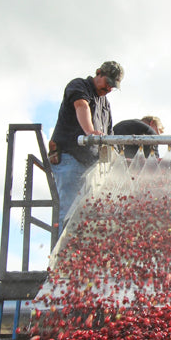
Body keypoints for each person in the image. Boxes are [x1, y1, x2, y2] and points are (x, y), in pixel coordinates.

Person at [48, 61, 124, 228]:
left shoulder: (105, 104)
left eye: (113, 87)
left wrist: (120, 160)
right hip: (71, 158)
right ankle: (65, 253)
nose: (109, 89)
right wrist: (89, 132)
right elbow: (81, 106)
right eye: (108, 83)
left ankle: (77, 251)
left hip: (90, 166)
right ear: (98, 73)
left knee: (86, 214)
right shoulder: (79, 86)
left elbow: (109, 133)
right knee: (69, 211)